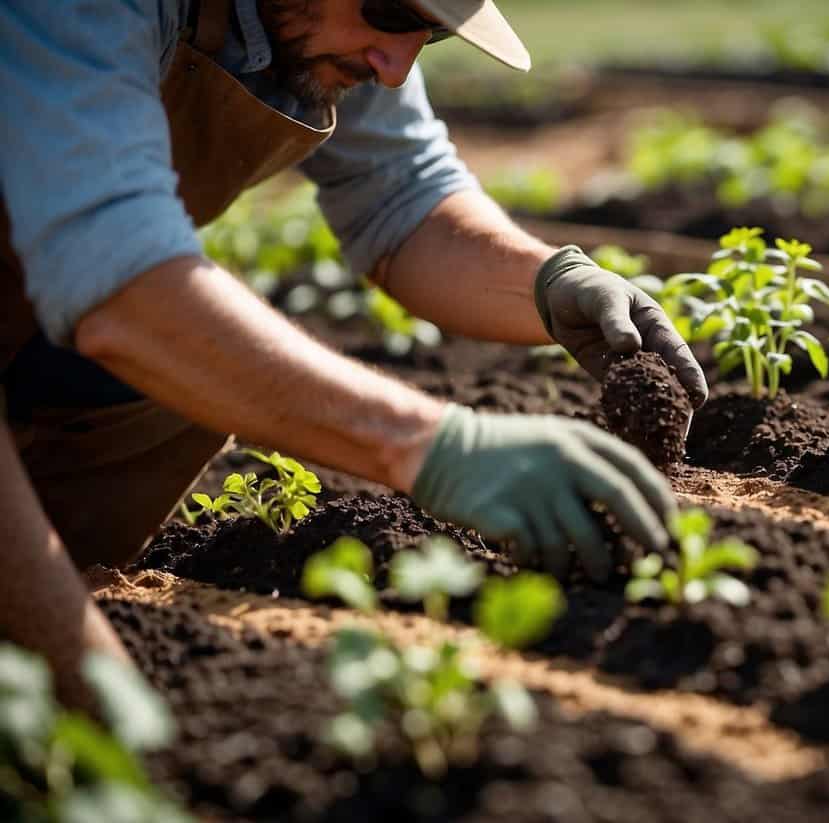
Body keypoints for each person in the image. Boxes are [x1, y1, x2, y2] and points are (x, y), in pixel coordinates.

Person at [0, 0, 708, 706]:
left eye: (427, 32)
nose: (397, 67)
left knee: (180, 386)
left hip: (33, 302)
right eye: (391, 10)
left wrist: (550, 282)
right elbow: (120, 282)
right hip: (73, 284)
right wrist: (432, 446)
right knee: (89, 704)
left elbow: (403, 194)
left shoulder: (334, 28)